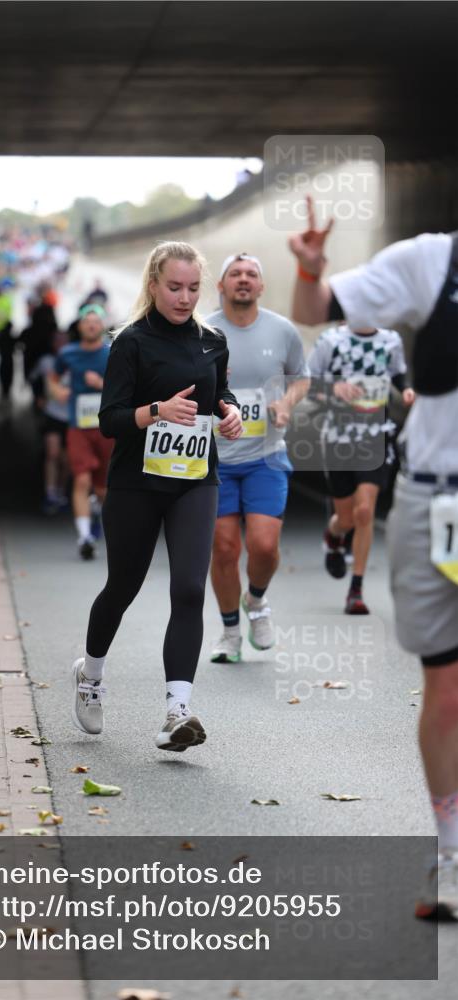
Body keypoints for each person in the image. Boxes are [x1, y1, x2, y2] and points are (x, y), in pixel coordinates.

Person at [289, 195, 458, 920]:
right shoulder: (432, 259)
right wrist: (310, 268)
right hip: (438, 498)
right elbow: (315, 306)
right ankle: (449, 856)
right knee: (447, 690)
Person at [70, 241, 242, 751]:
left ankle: (177, 711)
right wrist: (157, 412)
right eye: (174, 288)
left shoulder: (213, 341)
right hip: (136, 484)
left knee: (189, 589)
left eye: (193, 288)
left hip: (195, 480)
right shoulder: (130, 342)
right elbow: (109, 420)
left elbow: (218, 393)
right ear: (153, 286)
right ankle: (90, 675)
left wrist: (229, 410)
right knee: (122, 586)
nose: (185, 298)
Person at [206, 253, 309, 663]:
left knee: (264, 546)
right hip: (215, 460)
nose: (244, 279)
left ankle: (257, 600)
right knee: (224, 548)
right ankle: (230, 633)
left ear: (261, 286)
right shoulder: (203, 331)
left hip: (266, 456)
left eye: (251, 274)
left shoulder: (281, 330)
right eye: (235, 273)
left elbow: (301, 378)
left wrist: (286, 402)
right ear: (222, 285)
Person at [307, 322, 415, 613]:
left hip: (374, 437)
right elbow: (306, 383)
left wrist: (406, 390)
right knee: (346, 519)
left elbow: (398, 374)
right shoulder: (331, 341)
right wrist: (333, 388)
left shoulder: (390, 340)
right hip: (338, 437)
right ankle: (334, 535)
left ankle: (356, 590)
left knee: (364, 511)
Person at [49, 304, 113, 560]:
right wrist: (58, 392)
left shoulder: (112, 353)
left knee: (103, 489)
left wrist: (101, 384)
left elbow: (127, 387)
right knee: (82, 480)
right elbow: (53, 378)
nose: (91, 325)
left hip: (107, 428)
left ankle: (96, 509)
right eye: (87, 321)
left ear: (102, 325)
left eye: (96, 321)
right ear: (79, 326)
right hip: (78, 426)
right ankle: (85, 536)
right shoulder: (68, 353)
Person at [27, 331, 70, 515]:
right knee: (52, 453)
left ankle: (61, 491)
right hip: (52, 414)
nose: (61, 344)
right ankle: (50, 493)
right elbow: (33, 378)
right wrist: (38, 396)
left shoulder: (76, 360)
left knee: (66, 460)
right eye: (58, 341)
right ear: (52, 344)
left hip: (72, 417)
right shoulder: (46, 362)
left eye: (65, 341)